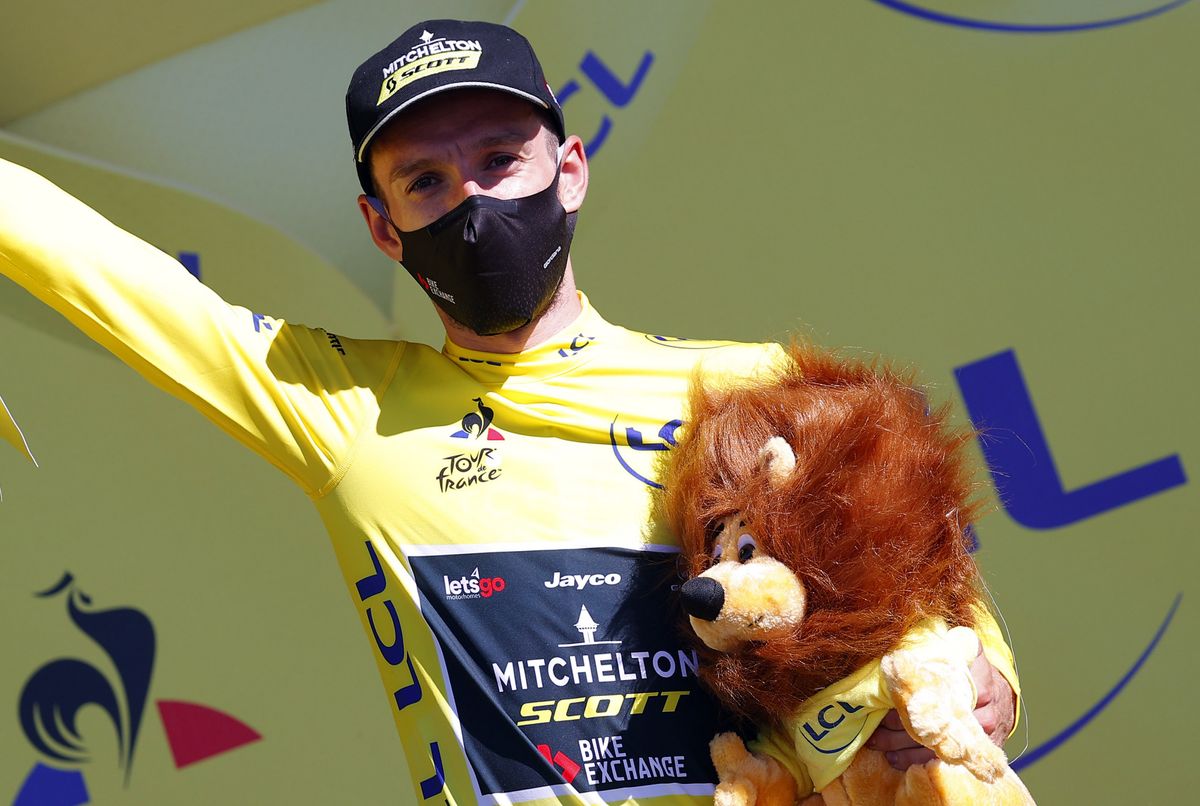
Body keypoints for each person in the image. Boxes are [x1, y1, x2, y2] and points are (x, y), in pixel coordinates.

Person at [0, 18, 1017, 805]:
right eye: (426, 181)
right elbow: (98, 269)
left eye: (499, 159)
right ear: (382, 228)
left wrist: (987, 681)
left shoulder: (754, 384)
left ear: (569, 170)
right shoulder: (345, 406)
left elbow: (929, 597)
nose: (473, 203)